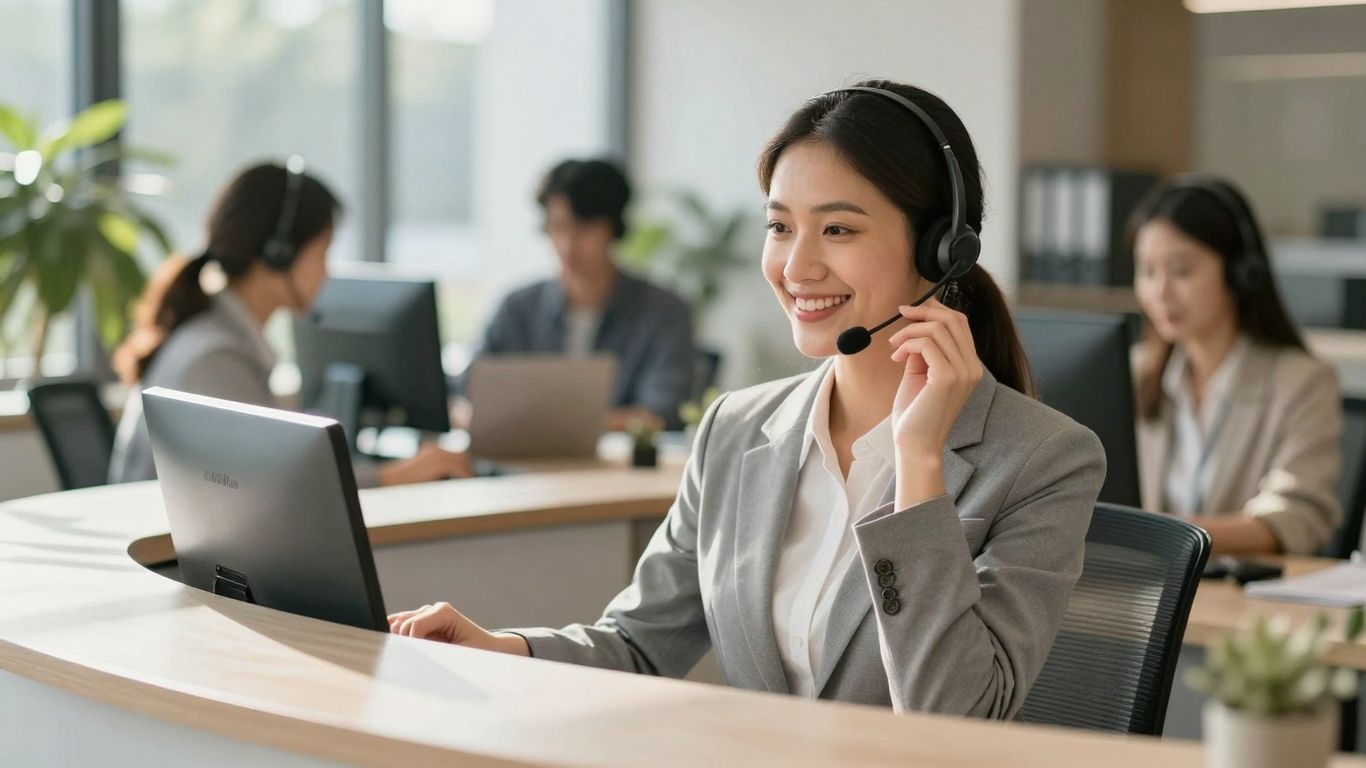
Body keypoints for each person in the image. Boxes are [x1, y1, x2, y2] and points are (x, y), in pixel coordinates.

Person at [389, 81, 1105, 718]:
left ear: (940, 249)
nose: (796, 266)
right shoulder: (736, 429)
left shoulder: (1045, 461)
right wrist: (501, 649)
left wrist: (918, 466)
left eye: (838, 229)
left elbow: (954, 715)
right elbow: (637, 644)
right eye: (780, 226)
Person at [109, 161, 470, 488]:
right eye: (322, 254)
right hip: (167, 541)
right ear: (278, 253)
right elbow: (271, 483)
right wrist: (392, 476)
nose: (326, 273)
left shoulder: (214, 333)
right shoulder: (216, 358)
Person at [1130, 175, 1341, 555]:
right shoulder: (1134, 374)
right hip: (1140, 584)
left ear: (1239, 272)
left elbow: (1295, 518)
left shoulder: (1303, 383)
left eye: (1181, 271)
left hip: (1241, 589)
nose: (1160, 292)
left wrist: (1167, 539)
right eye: (1147, 271)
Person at [476, 158, 695, 430]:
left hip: (619, 457)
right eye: (558, 227)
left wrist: (548, 425)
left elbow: (663, 411)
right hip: (523, 455)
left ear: (613, 228)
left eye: (583, 229)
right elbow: (470, 393)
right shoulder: (517, 309)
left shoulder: (664, 312)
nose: (568, 245)